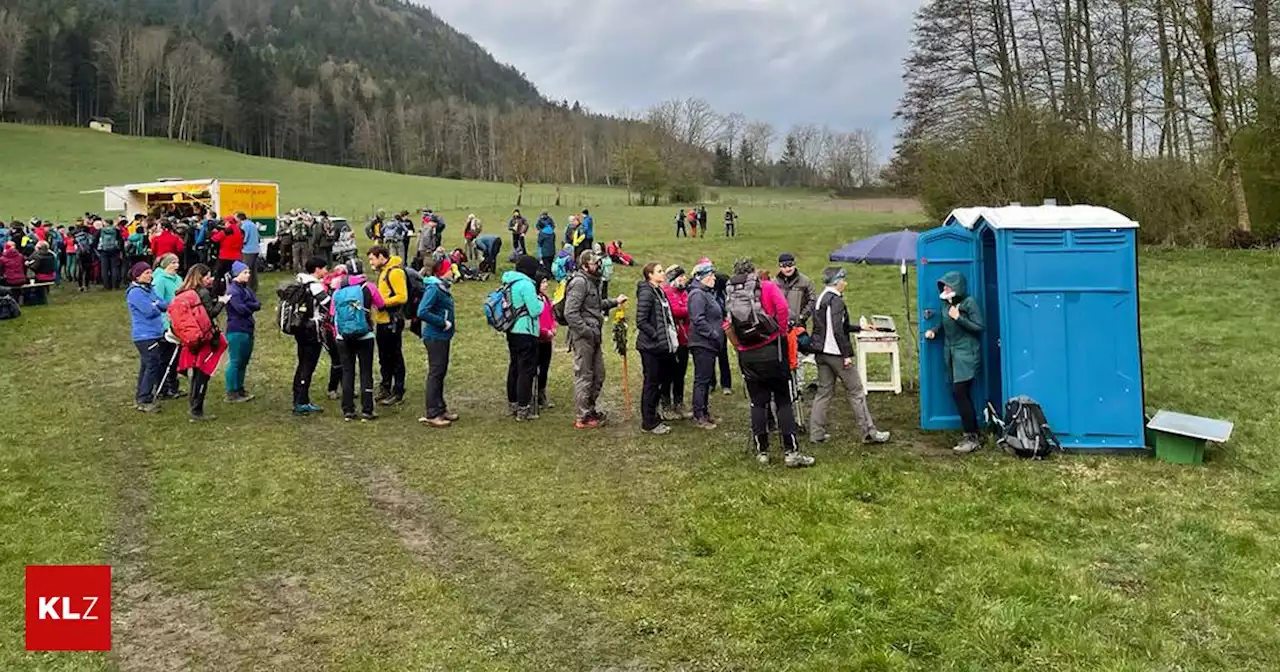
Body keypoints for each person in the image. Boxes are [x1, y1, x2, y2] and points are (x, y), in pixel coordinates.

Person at [727, 258, 814, 468]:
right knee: (783, 400)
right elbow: (783, 309)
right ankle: (791, 452)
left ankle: (762, 451)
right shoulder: (766, 286)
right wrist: (781, 332)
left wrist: (740, 344)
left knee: (757, 402)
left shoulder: (730, 292)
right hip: (772, 350)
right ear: (753, 272)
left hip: (747, 354)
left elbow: (727, 323)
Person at [808, 267, 892, 445]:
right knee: (856, 391)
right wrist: (846, 354)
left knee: (823, 393)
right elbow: (837, 330)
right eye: (843, 280)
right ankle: (869, 432)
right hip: (836, 353)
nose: (845, 283)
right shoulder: (836, 301)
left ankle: (816, 433)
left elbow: (830, 326)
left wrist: (860, 327)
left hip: (821, 353)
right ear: (837, 282)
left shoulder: (820, 298)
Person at [564, 248, 627, 429]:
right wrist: (586, 331)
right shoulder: (579, 283)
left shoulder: (593, 281)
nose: (597, 265)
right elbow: (570, 312)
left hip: (594, 335)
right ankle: (582, 417)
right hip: (584, 337)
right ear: (584, 265)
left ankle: (590, 410)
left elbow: (596, 305)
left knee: (599, 374)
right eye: (594, 263)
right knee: (585, 375)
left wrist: (615, 302)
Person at [925, 270, 986, 454]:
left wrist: (959, 317)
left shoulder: (969, 303)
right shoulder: (946, 303)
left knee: (960, 393)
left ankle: (972, 436)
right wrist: (935, 330)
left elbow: (979, 326)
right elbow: (945, 323)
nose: (944, 288)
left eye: (948, 285)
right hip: (951, 353)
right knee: (958, 393)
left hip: (966, 354)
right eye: (943, 285)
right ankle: (972, 433)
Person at [174, 264, 229, 421]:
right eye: (207, 277)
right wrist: (222, 302)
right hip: (205, 337)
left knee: (196, 372)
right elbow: (210, 313)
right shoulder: (202, 293)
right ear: (200, 277)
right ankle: (197, 409)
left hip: (191, 338)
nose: (210, 280)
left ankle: (193, 403)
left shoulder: (185, 292)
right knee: (203, 373)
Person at [331, 259, 385, 421]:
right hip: (365, 335)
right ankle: (367, 410)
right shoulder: (368, 287)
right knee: (365, 371)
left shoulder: (339, 290)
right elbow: (381, 305)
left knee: (348, 371)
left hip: (342, 337)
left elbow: (333, 314)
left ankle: (348, 409)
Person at [635, 262, 678, 435]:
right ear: (650, 275)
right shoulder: (647, 292)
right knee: (651, 383)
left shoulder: (658, 291)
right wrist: (656, 335)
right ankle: (648, 421)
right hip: (650, 347)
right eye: (659, 271)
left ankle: (655, 414)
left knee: (659, 380)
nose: (663, 273)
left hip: (660, 346)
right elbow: (641, 321)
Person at [417, 256, 457, 427]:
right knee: (436, 373)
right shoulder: (434, 288)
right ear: (442, 271)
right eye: (450, 269)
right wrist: (442, 322)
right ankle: (432, 412)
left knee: (440, 373)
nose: (452, 272)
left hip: (443, 337)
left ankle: (440, 408)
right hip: (435, 336)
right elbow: (422, 311)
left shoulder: (442, 287)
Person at [503, 255, 545, 421]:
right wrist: (541, 301)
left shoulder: (509, 282)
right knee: (526, 370)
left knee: (514, 366)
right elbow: (534, 310)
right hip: (526, 331)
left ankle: (512, 403)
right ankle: (523, 408)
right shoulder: (526, 285)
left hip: (512, 329)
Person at [290, 257, 332, 416]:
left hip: (300, 327)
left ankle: (299, 398)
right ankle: (301, 402)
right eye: (324, 268)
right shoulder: (314, 286)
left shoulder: (300, 281)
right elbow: (329, 304)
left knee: (302, 363)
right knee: (308, 365)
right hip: (311, 330)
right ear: (317, 269)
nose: (326, 271)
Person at [126, 262, 169, 413]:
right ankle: (144, 398)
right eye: (147, 273)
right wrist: (156, 305)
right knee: (151, 365)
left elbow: (164, 305)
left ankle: (143, 394)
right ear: (137, 276)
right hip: (144, 335)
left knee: (148, 365)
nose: (150, 276)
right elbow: (149, 311)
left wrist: (155, 304)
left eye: (151, 273)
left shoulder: (149, 290)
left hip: (154, 333)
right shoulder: (135, 293)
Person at [368, 246, 408, 406]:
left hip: (392, 321)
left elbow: (402, 296)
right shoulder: (384, 271)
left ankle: (398, 391)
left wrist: (383, 303)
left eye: (372, 258)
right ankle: (386, 386)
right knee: (384, 357)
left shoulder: (395, 272)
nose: (370, 262)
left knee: (395, 356)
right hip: (382, 321)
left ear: (381, 257)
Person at [687, 262, 723, 429]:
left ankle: (705, 412)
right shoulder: (697, 294)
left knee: (707, 379)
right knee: (701, 380)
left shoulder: (706, 293)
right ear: (702, 277)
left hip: (710, 343)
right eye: (711, 275)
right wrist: (713, 333)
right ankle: (699, 414)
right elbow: (698, 319)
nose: (714, 278)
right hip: (702, 343)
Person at [224, 261, 261, 403]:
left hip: (247, 329)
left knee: (243, 361)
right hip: (237, 330)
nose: (248, 275)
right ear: (236, 274)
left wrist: (250, 305)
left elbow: (257, 304)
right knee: (235, 361)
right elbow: (241, 309)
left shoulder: (245, 289)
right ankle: (231, 391)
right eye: (245, 273)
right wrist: (251, 306)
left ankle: (239, 387)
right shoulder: (232, 290)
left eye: (248, 272)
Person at [660, 266, 692, 421]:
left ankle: (679, 402)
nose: (683, 280)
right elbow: (676, 311)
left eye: (684, 276)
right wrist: (686, 309)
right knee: (668, 373)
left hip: (685, 338)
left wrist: (685, 308)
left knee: (681, 372)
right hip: (671, 339)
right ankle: (665, 404)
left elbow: (685, 308)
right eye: (680, 277)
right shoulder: (667, 292)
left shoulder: (683, 292)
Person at [152, 254, 185, 399]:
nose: (176, 265)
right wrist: (166, 324)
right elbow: (157, 303)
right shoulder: (159, 280)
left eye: (177, 262)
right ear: (165, 265)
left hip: (179, 321)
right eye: (173, 263)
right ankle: (163, 387)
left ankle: (173, 385)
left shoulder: (178, 279)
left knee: (175, 356)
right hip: (166, 323)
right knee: (165, 357)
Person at [775, 253, 816, 330]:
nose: (788, 269)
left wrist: (802, 316)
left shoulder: (805, 281)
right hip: (779, 326)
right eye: (784, 266)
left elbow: (812, 300)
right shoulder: (774, 283)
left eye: (790, 265)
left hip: (798, 326)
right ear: (780, 267)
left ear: (795, 265)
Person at [535, 270, 556, 409]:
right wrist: (544, 332)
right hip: (538, 339)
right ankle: (534, 395)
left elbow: (550, 316)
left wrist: (553, 327)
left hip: (547, 340)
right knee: (535, 369)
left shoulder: (545, 299)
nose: (546, 285)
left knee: (544, 368)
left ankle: (542, 393)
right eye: (543, 282)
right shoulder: (535, 300)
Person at [209, 215, 243, 293]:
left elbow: (214, 239)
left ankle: (216, 292)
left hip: (225, 256)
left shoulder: (227, 231)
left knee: (218, 276)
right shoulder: (239, 230)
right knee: (235, 276)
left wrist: (215, 232)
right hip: (236, 256)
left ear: (228, 222)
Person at [236, 213, 261, 291]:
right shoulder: (252, 224)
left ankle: (248, 288)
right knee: (253, 270)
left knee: (246, 270)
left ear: (239, 219)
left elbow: (244, 239)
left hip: (248, 251)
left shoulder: (245, 226)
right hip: (256, 249)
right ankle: (254, 287)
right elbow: (259, 237)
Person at [97, 220, 125, 290]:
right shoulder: (116, 231)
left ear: (106, 223)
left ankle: (106, 286)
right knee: (114, 268)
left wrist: (98, 250)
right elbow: (121, 241)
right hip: (114, 251)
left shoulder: (101, 231)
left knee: (104, 269)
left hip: (103, 251)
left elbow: (95, 241)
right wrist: (121, 251)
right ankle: (115, 286)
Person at [74, 225, 96, 291]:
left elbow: (75, 246)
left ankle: (80, 286)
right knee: (87, 271)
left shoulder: (77, 236)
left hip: (80, 255)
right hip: (88, 255)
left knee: (80, 271)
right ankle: (86, 285)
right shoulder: (90, 236)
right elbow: (91, 244)